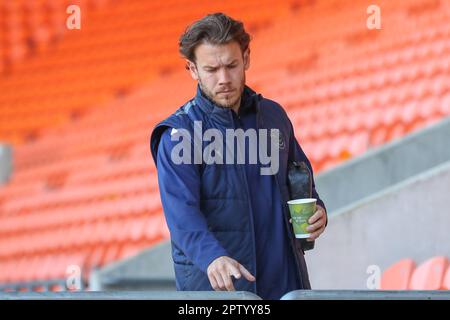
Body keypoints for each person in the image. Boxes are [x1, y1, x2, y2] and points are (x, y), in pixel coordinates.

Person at [150, 13, 327, 300]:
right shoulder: (178, 135)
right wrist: (211, 258)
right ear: (192, 69)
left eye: (231, 66)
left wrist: (319, 211)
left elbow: (301, 180)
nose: (224, 79)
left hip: (286, 284)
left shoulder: (274, 116)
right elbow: (181, 215)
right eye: (211, 69)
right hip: (221, 290)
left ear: (246, 58)